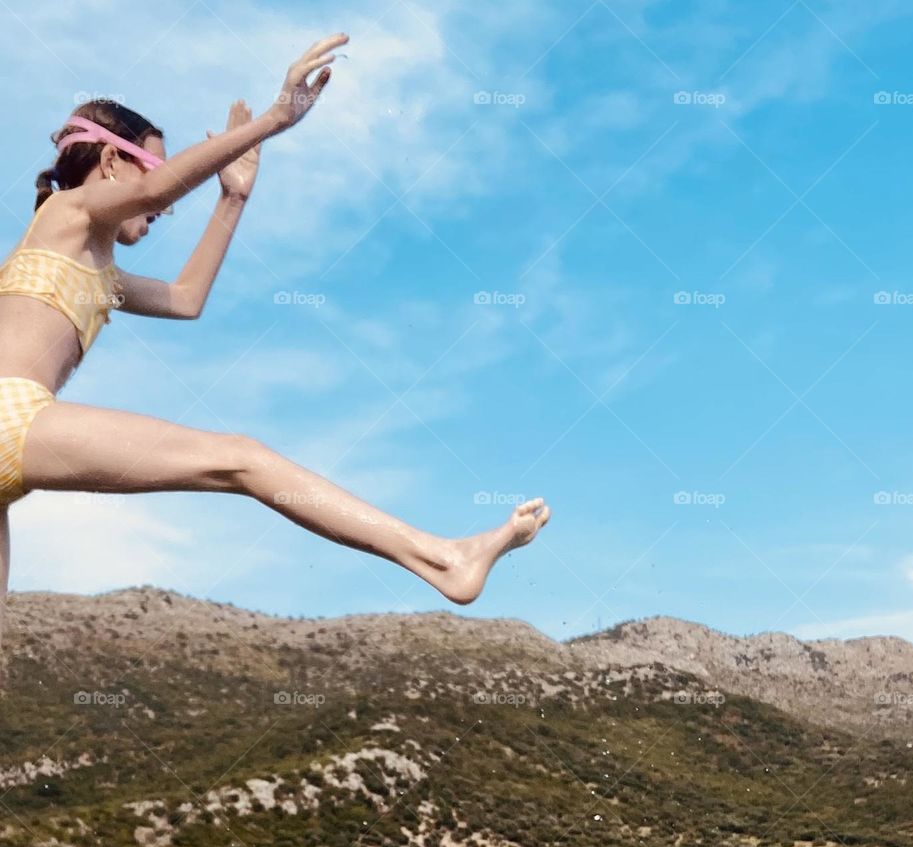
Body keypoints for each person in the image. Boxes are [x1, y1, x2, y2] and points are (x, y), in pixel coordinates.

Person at [0, 34, 550, 632]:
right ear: (110, 162)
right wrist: (273, 119)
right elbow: (154, 190)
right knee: (242, 458)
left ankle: (444, 559)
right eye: (155, 164)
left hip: (19, 433)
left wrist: (232, 197)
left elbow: (186, 300)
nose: (162, 207)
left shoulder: (103, 276)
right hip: (12, 415)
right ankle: (444, 556)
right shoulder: (65, 213)